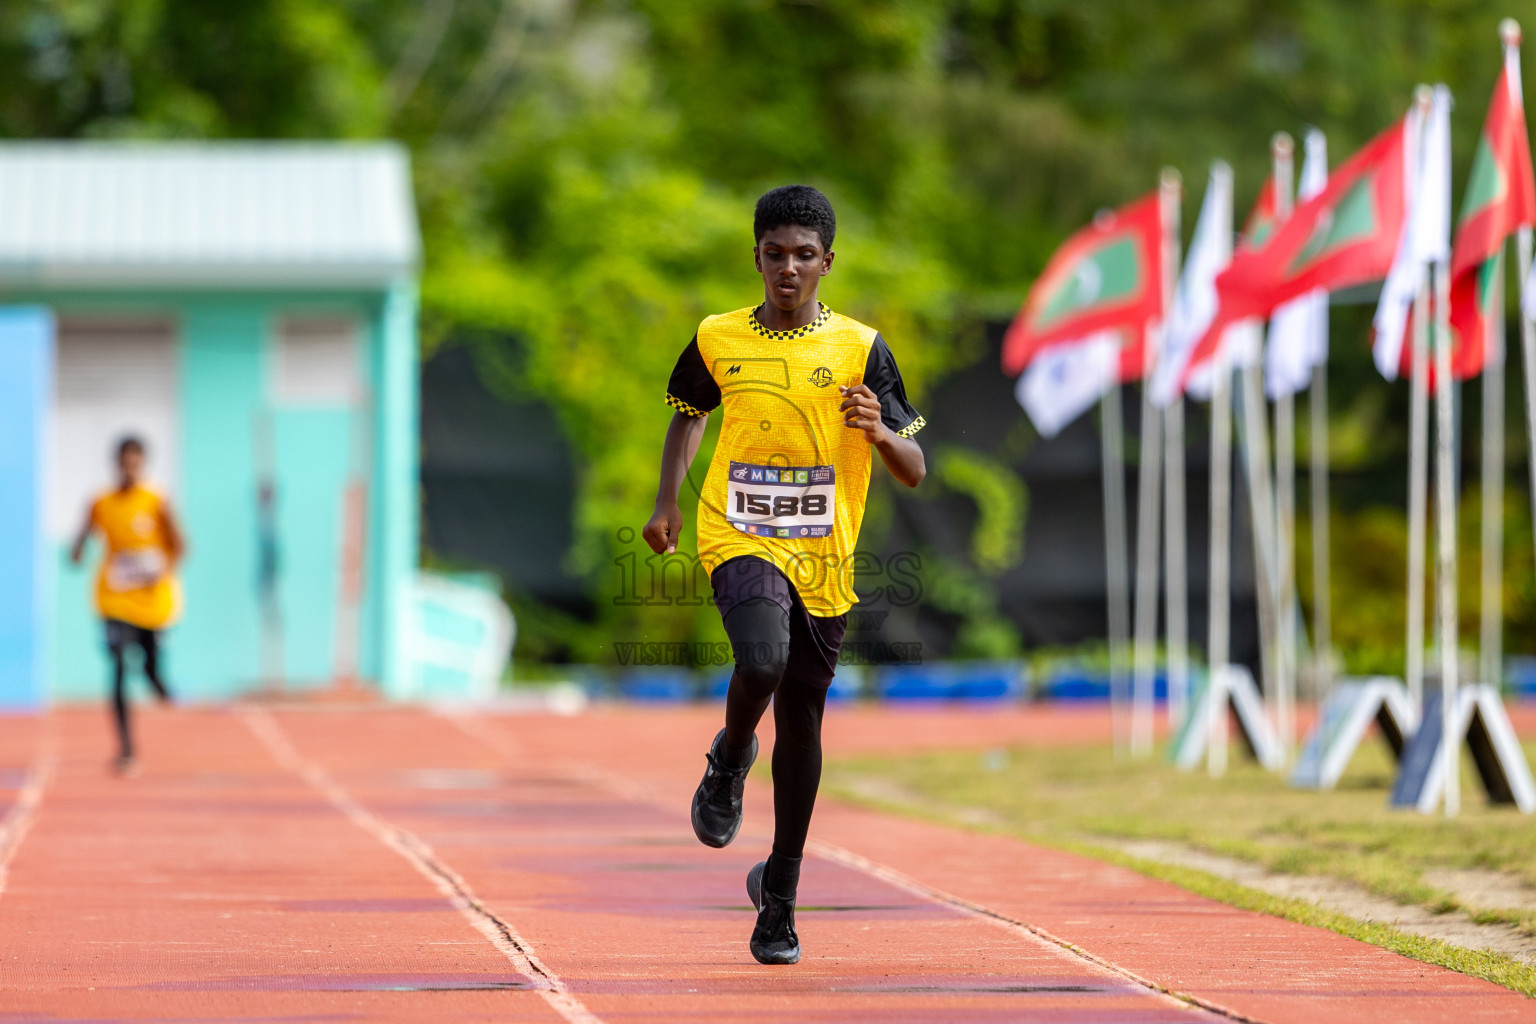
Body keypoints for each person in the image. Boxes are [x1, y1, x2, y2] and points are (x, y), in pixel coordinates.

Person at [643, 185, 926, 965]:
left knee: (803, 721)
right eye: (776, 254)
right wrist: (668, 501)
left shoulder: (863, 349)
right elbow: (687, 414)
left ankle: (780, 898)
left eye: (805, 256)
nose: (789, 268)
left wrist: (879, 431)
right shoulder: (717, 336)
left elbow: (914, 466)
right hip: (736, 531)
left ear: (827, 263)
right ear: (757, 257)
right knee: (760, 659)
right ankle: (731, 756)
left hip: (825, 556)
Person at [70, 436, 185, 775]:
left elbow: (179, 546)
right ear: (117, 463)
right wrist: (76, 552)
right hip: (114, 600)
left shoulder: (156, 500)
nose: (130, 468)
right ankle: (126, 749)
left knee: (148, 666)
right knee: (118, 663)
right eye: (124, 461)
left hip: (151, 601)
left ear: (143, 464)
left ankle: (157, 680)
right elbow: (82, 538)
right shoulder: (100, 502)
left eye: (136, 462)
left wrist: (160, 568)